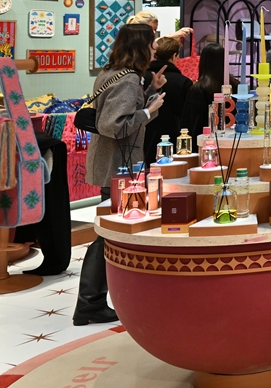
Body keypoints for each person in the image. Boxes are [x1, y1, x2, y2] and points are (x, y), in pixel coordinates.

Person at [75, 23, 166, 325]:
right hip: (119, 166)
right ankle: (89, 303)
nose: (155, 49)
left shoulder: (111, 72)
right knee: (108, 235)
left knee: (108, 232)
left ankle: (92, 302)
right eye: (152, 44)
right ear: (142, 47)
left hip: (111, 163)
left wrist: (150, 92)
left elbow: (118, 111)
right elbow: (113, 125)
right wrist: (149, 110)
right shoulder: (127, 79)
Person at [143, 36, 192, 164]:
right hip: (174, 137)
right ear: (174, 56)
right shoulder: (184, 82)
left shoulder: (141, 78)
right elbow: (187, 115)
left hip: (143, 136)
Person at [180, 43, 233, 136]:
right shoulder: (234, 85)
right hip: (232, 138)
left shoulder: (197, 89)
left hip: (204, 139)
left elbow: (189, 123)